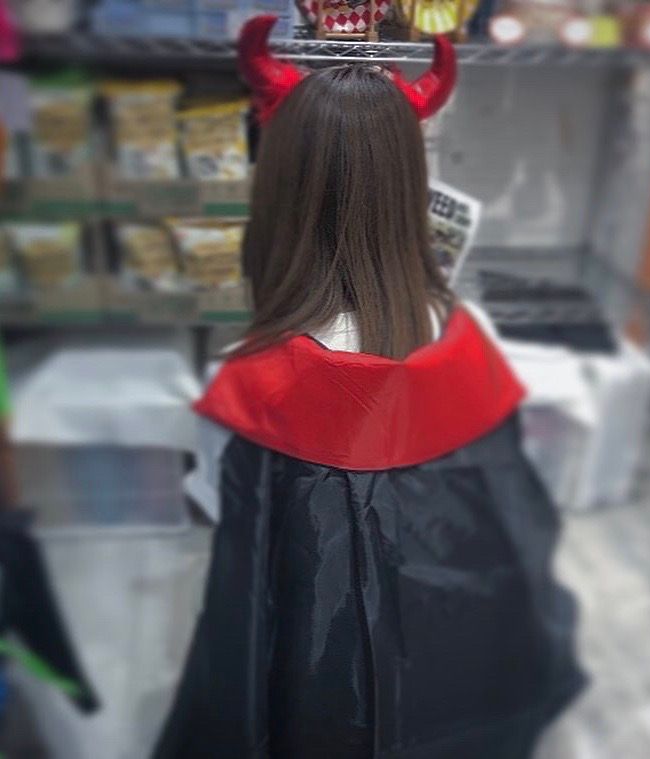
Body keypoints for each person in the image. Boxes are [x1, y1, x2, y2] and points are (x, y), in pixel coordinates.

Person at [152, 15, 585, 759]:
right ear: (408, 188)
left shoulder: (249, 390)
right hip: (463, 681)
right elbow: (512, 520)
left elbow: (231, 538)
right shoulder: (471, 344)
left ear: (279, 195)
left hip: (323, 708)